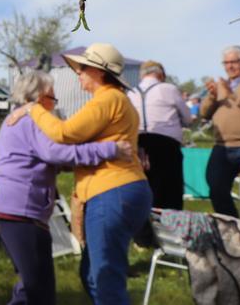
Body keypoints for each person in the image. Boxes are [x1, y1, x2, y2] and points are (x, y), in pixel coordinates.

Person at [8, 43, 150, 304]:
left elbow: (65, 134)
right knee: (93, 276)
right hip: (117, 191)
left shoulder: (107, 98)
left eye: (83, 68)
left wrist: (33, 107)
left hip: (111, 191)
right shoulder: (115, 100)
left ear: (99, 72)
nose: (79, 73)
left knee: (105, 278)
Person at [127, 60, 193, 210]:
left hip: (139, 143)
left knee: (146, 188)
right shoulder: (168, 89)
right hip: (166, 144)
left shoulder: (131, 93)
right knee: (170, 190)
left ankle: (147, 226)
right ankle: (172, 226)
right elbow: (187, 118)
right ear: (160, 74)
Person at [201, 45, 240, 219]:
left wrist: (232, 94)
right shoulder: (221, 85)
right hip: (222, 145)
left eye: (234, 62)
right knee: (216, 186)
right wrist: (212, 95)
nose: (229, 66)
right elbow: (204, 113)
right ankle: (233, 228)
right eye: (226, 63)